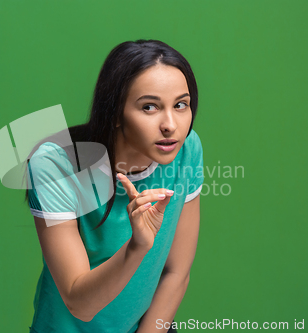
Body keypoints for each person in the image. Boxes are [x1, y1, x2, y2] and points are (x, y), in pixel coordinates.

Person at [24, 39, 204, 333]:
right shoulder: (54, 166)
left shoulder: (186, 148)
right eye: (149, 107)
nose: (171, 125)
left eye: (181, 105)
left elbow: (176, 272)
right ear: (116, 112)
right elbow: (79, 304)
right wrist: (138, 245)